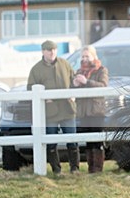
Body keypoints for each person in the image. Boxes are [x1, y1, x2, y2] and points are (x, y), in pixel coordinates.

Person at [28, 40, 78, 174]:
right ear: (43, 51)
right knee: (50, 142)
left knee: (72, 139)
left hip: (67, 109)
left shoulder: (65, 64)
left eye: (54, 50)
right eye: (49, 50)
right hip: (50, 112)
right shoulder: (36, 69)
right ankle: (56, 170)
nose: (52, 52)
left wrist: (73, 93)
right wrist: (43, 98)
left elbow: (74, 80)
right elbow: (30, 88)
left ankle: (75, 168)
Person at [73, 45, 109, 173]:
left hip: (96, 111)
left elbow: (103, 86)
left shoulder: (101, 70)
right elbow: (72, 91)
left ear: (94, 56)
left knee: (97, 141)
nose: (85, 59)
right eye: (83, 56)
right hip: (83, 112)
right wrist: (75, 85)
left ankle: (98, 169)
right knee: (88, 142)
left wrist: (87, 82)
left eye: (87, 56)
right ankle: (90, 168)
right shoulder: (79, 71)